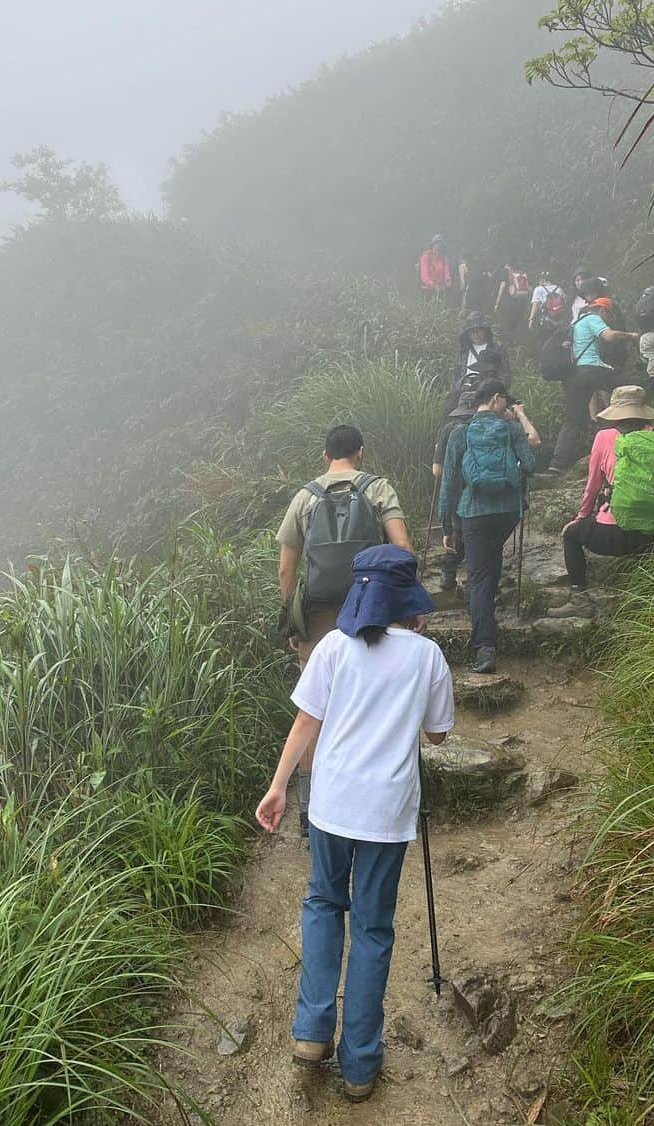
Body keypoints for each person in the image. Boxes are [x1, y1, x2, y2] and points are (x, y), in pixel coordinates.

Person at [255, 545, 454, 1104]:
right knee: (372, 928)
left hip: (331, 804)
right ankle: (361, 1063)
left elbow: (305, 723)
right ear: (408, 599)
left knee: (322, 904)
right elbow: (437, 735)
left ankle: (312, 1032)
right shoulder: (428, 656)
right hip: (387, 814)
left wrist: (277, 787)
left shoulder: (333, 648)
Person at [276, 424, 411, 841]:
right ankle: (374, 799)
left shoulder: (304, 498)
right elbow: (402, 550)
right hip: (372, 610)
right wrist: (407, 604)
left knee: (314, 709)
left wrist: (293, 618)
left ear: (324, 456)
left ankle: (309, 810)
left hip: (318, 615)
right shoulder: (377, 489)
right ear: (361, 453)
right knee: (377, 699)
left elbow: (286, 569)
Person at [548, 387, 654, 617]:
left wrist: (580, 518)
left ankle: (579, 599)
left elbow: (593, 486)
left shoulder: (604, 436)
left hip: (613, 534)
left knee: (571, 536)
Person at [438, 379, 540, 673]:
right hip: (508, 511)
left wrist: (447, 526)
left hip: (474, 512)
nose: (507, 406)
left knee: (479, 576)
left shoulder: (460, 432)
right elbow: (530, 466)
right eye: (505, 401)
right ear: (496, 399)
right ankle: (485, 615)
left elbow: (448, 484)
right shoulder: (510, 429)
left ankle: (484, 647)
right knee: (490, 561)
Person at [550, 294, 640, 471]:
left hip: (574, 375)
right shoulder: (593, 318)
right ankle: (636, 431)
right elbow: (609, 336)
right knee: (630, 389)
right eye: (608, 316)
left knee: (573, 419)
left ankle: (557, 464)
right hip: (592, 370)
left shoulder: (575, 324)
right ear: (602, 310)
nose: (608, 320)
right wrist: (631, 335)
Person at [431, 389, 478, 592]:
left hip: (457, 491)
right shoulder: (487, 427)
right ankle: (473, 579)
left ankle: (448, 576)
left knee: (455, 533)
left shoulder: (449, 429)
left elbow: (437, 470)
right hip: (484, 493)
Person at [446, 313, 511, 411]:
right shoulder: (463, 352)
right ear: (467, 334)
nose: (475, 334)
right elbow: (456, 375)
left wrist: (498, 393)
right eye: (472, 331)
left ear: (485, 331)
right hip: (463, 392)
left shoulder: (497, 349)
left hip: (488, 393)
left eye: (479, 330)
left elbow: (505, 374)